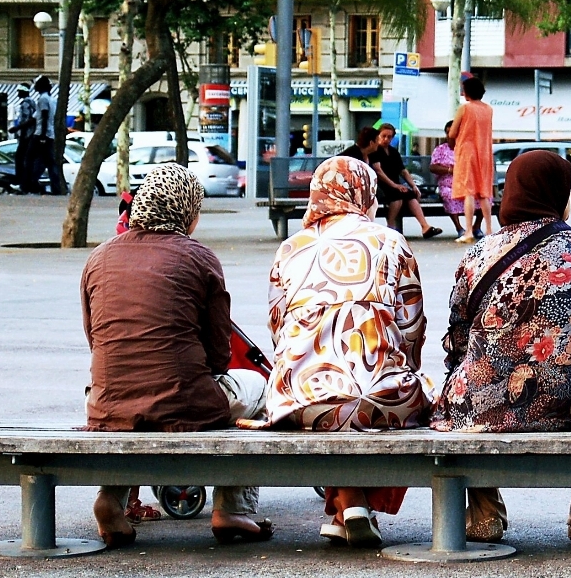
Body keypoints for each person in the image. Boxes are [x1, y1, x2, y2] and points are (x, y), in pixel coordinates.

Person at [432, 150, 571, 544]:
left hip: (485, 403)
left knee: (467, 394)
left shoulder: (478, 254)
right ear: (557, 193)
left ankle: (483, 513)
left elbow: (457, 342)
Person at [237, 156, 435, 548]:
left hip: (299, 400)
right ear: (364, 193)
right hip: (379, 397)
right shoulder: (391, 241)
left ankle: (344, 506)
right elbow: (411, 329)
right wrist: (399, 367)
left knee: (331, 405)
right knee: (403, 395)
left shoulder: (290, 248)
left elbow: (279, 329)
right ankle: (354, 503)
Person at [81, 164, 273, 549]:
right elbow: (221, 358)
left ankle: (111, 501)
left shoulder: (98, 259)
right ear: (187, 211)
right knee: (260, 388)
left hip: (106, 404)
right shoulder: (199, 258)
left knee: (132, 404)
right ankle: (232, 507)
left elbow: (95, 339)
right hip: (185, 404)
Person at [369, 123, 443, 239]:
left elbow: (403, 171)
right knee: (397, 196)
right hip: (381, 185)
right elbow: (378, 171)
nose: (386, 139)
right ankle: (391, 225)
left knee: (410, 195)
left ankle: (425, 226)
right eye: (383, 136)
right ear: (378, 135)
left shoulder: (393, 152)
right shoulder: (374, 151)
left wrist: (413, 186)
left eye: (389, 137)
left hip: (395, 184)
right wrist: (394, 185)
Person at [450, 76, 495, 244]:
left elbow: (452, 132)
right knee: (484, 191)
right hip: (484, 151)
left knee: (469, 191)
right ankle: (489, 230)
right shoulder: (489, 109)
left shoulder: (465, 108)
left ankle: (468, 231)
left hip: (467, 151)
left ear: (467, 92)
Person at [430, 120, 483, 239]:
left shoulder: (468, 148)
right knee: (448, 194)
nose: (452, 136)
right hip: (449, 185)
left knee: (484, 195)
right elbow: (433, 167)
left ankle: (476, 226)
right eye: (449, 132)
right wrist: (450, 170)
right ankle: (459, 228)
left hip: (468, 184)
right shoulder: (440, 150)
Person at [29, 75, 65, 195]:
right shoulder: (51, 99)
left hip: (41, 134)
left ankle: (29, 184)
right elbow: (36, 117)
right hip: (49, 134)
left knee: (29, 158)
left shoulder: (43, 99)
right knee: (46, 161)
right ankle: (50, 186)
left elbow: (44, 116)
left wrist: (42, 136)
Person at [8, 83, 36, 193]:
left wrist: (18, 130)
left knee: (20, 159)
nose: (17, 93)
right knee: (27, 160)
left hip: (26, 136)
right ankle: (27, 183)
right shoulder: (33, 102)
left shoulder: (25, 104)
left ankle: (20, 182)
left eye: (19, 91)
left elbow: (26, 120)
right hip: (30, 135)